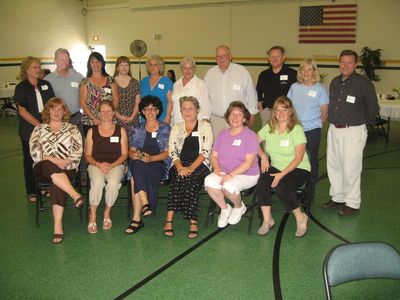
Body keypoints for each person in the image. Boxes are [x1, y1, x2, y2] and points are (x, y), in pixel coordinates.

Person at [324, 50, 379, 216]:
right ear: (339, 63)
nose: (345, 65)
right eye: (342, 62)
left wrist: (362, 126)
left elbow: (373, 109)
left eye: (349, 62)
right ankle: (338, 196)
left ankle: (353, 203)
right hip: (334, 129)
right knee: (334, 165)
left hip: (353, 131)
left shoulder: (364, 84)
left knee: (351, 168)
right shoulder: (334, 82)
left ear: (356, 64)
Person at [29, 97, 84, 244]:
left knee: (57, 183)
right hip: (43, 169)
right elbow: (35, 152)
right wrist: (54, 160)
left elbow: (78, 150)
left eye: (60, 109)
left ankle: (58, 226)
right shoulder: (38, 129)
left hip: (67, 167)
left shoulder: (72, 129)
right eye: (53, 108)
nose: (56, 112)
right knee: (47, 164)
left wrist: (65, 162)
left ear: (64, 111)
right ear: (48, 110)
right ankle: (74, 194)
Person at [256, 96, 311, 237]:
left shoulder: (296, 129)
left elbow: (299, 158)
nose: (280, 113)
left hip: (298, 168)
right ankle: (267, 220)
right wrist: (263, 156)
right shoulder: (269, 127)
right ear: (274, 112)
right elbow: (252, 142)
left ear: (290, 112)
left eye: (284, 110)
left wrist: (282, 174)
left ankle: (301, 217)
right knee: (262, 182)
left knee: (281, 187)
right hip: (276, 166)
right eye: (277, 110)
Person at [204, 101, 260, 228]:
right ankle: (224, 208)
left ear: (245, 118)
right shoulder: (222, 134)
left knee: (228, 186)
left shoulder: (250, 136)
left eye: (239, 115)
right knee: (209, 182)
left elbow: (248, 162)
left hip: (247, 174)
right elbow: (213, 156)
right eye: (232, 114)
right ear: (228, 117)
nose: (235, 118)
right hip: (224, 171)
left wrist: (229, 175)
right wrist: (217, 168)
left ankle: (239, 207)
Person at [164, 96, 213, 238]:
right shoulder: (176, 127)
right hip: (179, 164)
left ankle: (193, 221)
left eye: (190, 108)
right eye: (184, 108)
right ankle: (169, 219)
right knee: (179, 178)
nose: (187, 111)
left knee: (190, 180)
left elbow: (206, 151)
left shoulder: (205, 126)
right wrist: (180, 167)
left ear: (197, 110)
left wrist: (191, 168)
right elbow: (172, 150)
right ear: (180, 110)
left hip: (200, 165)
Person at [125, 96, 171, 234]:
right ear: (142, 112)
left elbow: (168, 153)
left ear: (158, 111)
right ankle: (144, 205)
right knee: (137, 164)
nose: (150, 112)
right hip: (140, 162)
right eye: (146, 109)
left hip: (159, 164)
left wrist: (151, 158)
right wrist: (135, 155)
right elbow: (131, 150)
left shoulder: (166, 128)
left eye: (153, 109)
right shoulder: (137, 129)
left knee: (134, 177)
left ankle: (137, 218)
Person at [14, 56, 55, 202]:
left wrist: (50, 124)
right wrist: (39, 125)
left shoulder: (46, 84)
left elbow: (52, 105)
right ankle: (31, 191)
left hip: (46, 128)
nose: (38, 69)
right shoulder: (21, 87)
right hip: (29, 130)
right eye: (34, 67)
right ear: (27, 70)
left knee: (45, 159)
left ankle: (44, 188)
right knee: (30, 160)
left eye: (39, 66)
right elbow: (22, 111)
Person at [287, 58, 328, 199]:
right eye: (303, 69)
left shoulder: (320, 89)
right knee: (294, 158)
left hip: (312, 131)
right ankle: (295, 186)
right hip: (295, 130)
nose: (306, 72)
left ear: (314, 72)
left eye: (309, 69)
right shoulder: (294, 87)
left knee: (311, 160)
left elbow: (324, 112)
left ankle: (310, 189)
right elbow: (288, 108)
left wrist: (316, 126)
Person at [85, 100, 128, 234]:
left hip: (115, 165)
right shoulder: (92, 131)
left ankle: (107, 212)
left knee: (113, 182)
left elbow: (124, 154)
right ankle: (92, 215)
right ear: (98, 113)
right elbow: (87, 155)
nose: (106, 114)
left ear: (114, 113)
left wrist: (112, 165)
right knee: (97, 182)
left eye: (109, 111)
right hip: (96, 164)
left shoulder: (121, 131)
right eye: (102, 111)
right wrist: (98, 164)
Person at [204, 45, 258, 136]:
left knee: (239, 147)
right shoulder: (209, 74)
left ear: (230, 56)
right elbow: (205, 98)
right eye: (218, 56)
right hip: (216, 121)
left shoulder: (241, 72)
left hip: (238, 120)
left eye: (224, 55)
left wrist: (252, 113)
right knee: (218, 148)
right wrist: (205, 116)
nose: (221, 58)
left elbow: (251, 93)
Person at [79, 52, 119, 135]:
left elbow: (116, 100)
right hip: (91, 122)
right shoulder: (85, 82)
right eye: (93, 62)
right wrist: (93, 119)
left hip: (109, 120)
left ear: (102, 63)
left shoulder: (111, 80)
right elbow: (82, 103)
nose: (95, 64)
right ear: (89, 64)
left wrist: (108, 116)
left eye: (98, 62)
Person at [256, 46, 297, 125]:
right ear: (269, 59)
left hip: (286, 113)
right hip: (268, 113)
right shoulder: (263, 75)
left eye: (277, 56)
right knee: (267, 136)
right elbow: (258, 93)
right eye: (272, 56)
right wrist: (261, 110)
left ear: (283, 57)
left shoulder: (293, 74)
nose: (274, 59)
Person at [45, 48, 84, 127]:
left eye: (66, 59)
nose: (65, 62)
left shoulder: (78, 76)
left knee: (79, 139)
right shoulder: (47, 80)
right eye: (61, 59)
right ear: (55, 61)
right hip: (58, 120)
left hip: (76, 118)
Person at [171, 56, 211, 125]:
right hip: (177, 123)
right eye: (185, 68)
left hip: (195, 123)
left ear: (194, 69)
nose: (188, 71)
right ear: (181, 69)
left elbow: (206, 104)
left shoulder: (200, 84)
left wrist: (205, 122)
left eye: (190, 68)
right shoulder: (176, 84)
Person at [140, 55, 173, 124]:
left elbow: (170, 101)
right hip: (146, 119)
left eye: (155, 65)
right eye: (150, 65)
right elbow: (140, 100)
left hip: (162, 118)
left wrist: (168, 116)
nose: (152, 67)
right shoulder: (144, 81)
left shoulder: (166, 81)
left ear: (160, 67)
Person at [113, 56, 141, 138]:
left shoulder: (135, 82)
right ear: (117, 67)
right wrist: (119, 116)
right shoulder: (111, 82)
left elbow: (137, 102)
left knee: (133, 146)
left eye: (126, 65)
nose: (124, 68)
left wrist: (131, 117)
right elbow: (110, 103)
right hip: (116, 119)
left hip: (133, 119)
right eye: (121, 65)